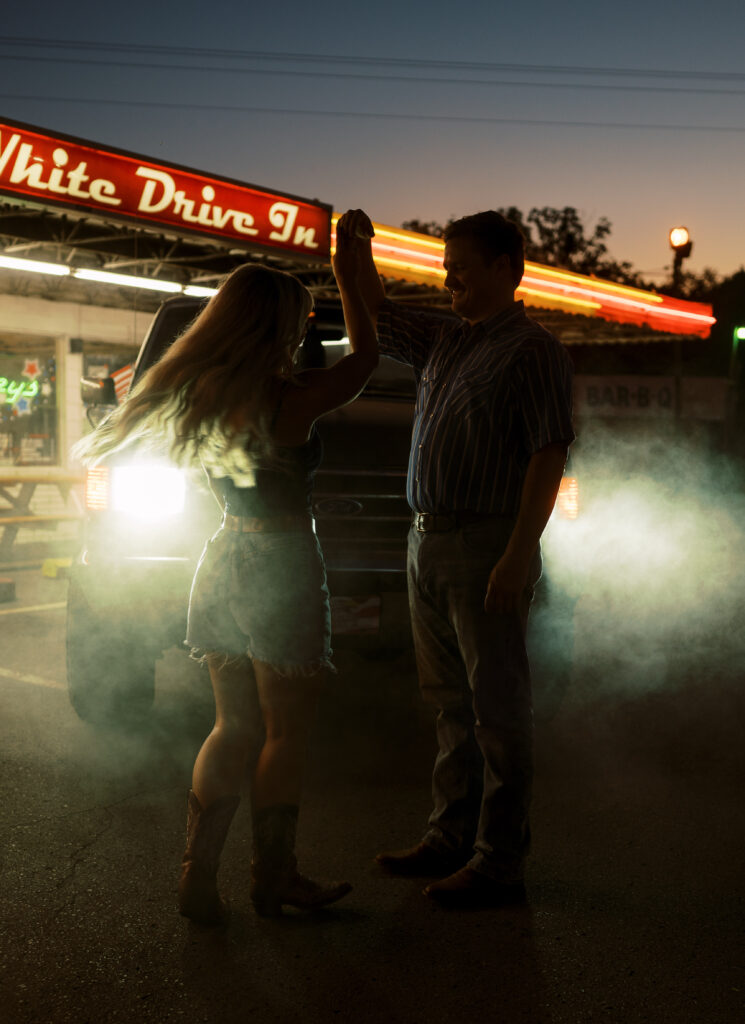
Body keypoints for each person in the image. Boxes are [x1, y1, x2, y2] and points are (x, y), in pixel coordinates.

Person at [73, 222, 378, 924]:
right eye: (300, 321)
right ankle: (276, 878)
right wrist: (349, 271)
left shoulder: (202, 392)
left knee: (230, 727)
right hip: (280, 561)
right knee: (283, 733)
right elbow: (365, 358)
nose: (306, 330)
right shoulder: (289, 401)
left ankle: (196, 877)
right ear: (277, 324)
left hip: (222, 558)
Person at [335, 207, 575, 908]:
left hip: (483, 542)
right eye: (444, 273)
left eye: (461, 272)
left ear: (507, 269)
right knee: (448, 705)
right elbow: (372, 312)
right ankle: (447, 838)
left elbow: (547, 453)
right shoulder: (446, 340)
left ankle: (498, 861)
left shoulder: (533, 352)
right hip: (426, 539)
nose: (448, 285)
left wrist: (517, 553)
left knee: (496, 708)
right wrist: (350, 254)